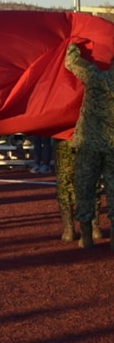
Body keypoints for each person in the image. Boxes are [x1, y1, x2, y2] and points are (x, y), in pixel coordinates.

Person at [63, 41, 114, 249]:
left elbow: (71, 62)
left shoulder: (96, 78)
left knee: (84, 188)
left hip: (89, 142)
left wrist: (72, 44)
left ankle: (85, 237)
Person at [53, 138, 103, 243]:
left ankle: (69, 229)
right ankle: (93, 228)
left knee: (65, 182)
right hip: (88, 138)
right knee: (90, 181)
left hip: (67, 137)